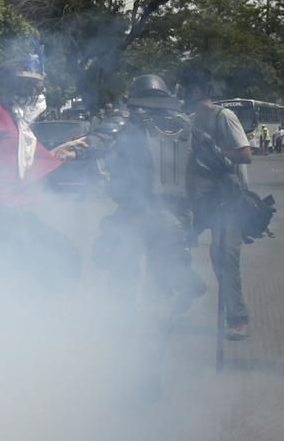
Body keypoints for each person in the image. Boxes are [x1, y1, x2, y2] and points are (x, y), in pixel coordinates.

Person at [82, 75, 205, 316]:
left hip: (137, 211)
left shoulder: (129, 119)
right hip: (176, 214)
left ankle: (128, 316)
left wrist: (81, 147)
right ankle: (165, 303)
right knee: (164, 273)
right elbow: (215, 164)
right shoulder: (186, 125)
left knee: (120, 261)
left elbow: (104, 135)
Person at [0, 54, 86, 284]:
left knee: (51, 267)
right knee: (52, 265)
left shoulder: (15, 119)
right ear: (15, 85)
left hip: (14, 212)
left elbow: (26, 156)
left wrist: (65, 147)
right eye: (32, 87)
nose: (37, 94)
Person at [179, 67, 253, 341]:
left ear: (197, 90)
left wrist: (215, 152)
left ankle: (237, 319)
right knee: (172, 241)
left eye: (184, 89)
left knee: (224, 258)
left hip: (227, 202)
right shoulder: (187, 121)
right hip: (198, 202)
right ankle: (190, 287)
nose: (180, 94)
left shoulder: (224, 117)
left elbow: (245, 154)